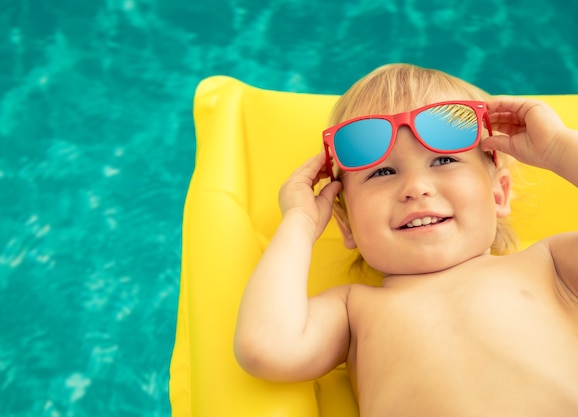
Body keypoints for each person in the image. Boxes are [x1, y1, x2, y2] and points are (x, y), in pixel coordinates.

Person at [233, 63, 578, 416]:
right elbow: (265, 348)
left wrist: (558, 149)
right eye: (383, 172)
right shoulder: (353, 311)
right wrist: (300, 222)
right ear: (347, 224)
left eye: (443, 160)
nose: (415, 188)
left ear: (498, 194)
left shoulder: (552, 266)